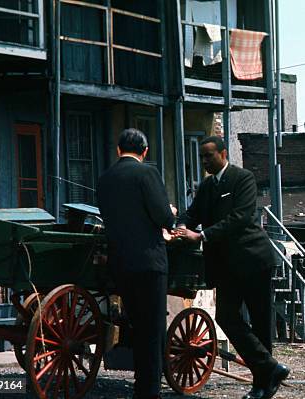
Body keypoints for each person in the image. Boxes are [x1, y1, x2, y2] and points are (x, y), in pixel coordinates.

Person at [175, 136, 290, 399]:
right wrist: (181, 226)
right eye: (202, 157)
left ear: (223, 154)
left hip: (252, 260)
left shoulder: (243, 178)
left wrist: (202, 236)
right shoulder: (207, 186)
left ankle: (263, 384)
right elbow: (192, 213)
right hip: (226, 266)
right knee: (226, 316)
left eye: (209, 156)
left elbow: (240, 217)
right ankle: (271, 369)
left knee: (260, 324)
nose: (204, 161)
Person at [97, 128, 175, 399]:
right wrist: (171, 212)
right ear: (145, 151)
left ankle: (142, 388)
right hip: (149, 263)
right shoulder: (147, 173)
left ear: (119, 150)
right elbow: (164, 218)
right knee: (153, 332)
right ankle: (148, 392)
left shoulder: (105, 178)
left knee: (137, 327)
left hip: (120, 263)